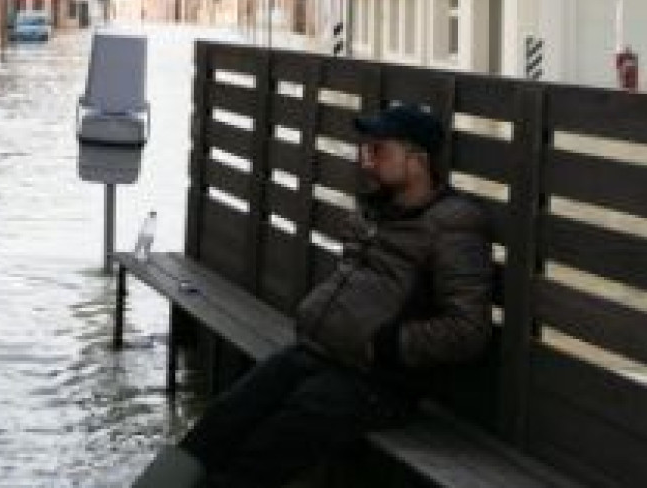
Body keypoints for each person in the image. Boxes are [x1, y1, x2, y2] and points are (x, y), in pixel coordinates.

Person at [131, 103, 493, 488]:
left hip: (377, 382)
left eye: (379, 150)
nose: (366, 161)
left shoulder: (454, 225)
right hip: (318, 353)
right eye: (365, 149)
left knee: (259, 456)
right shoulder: (376, 211)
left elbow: (469, 328)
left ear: (418, 160)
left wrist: (386, 345)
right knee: (219, 422)